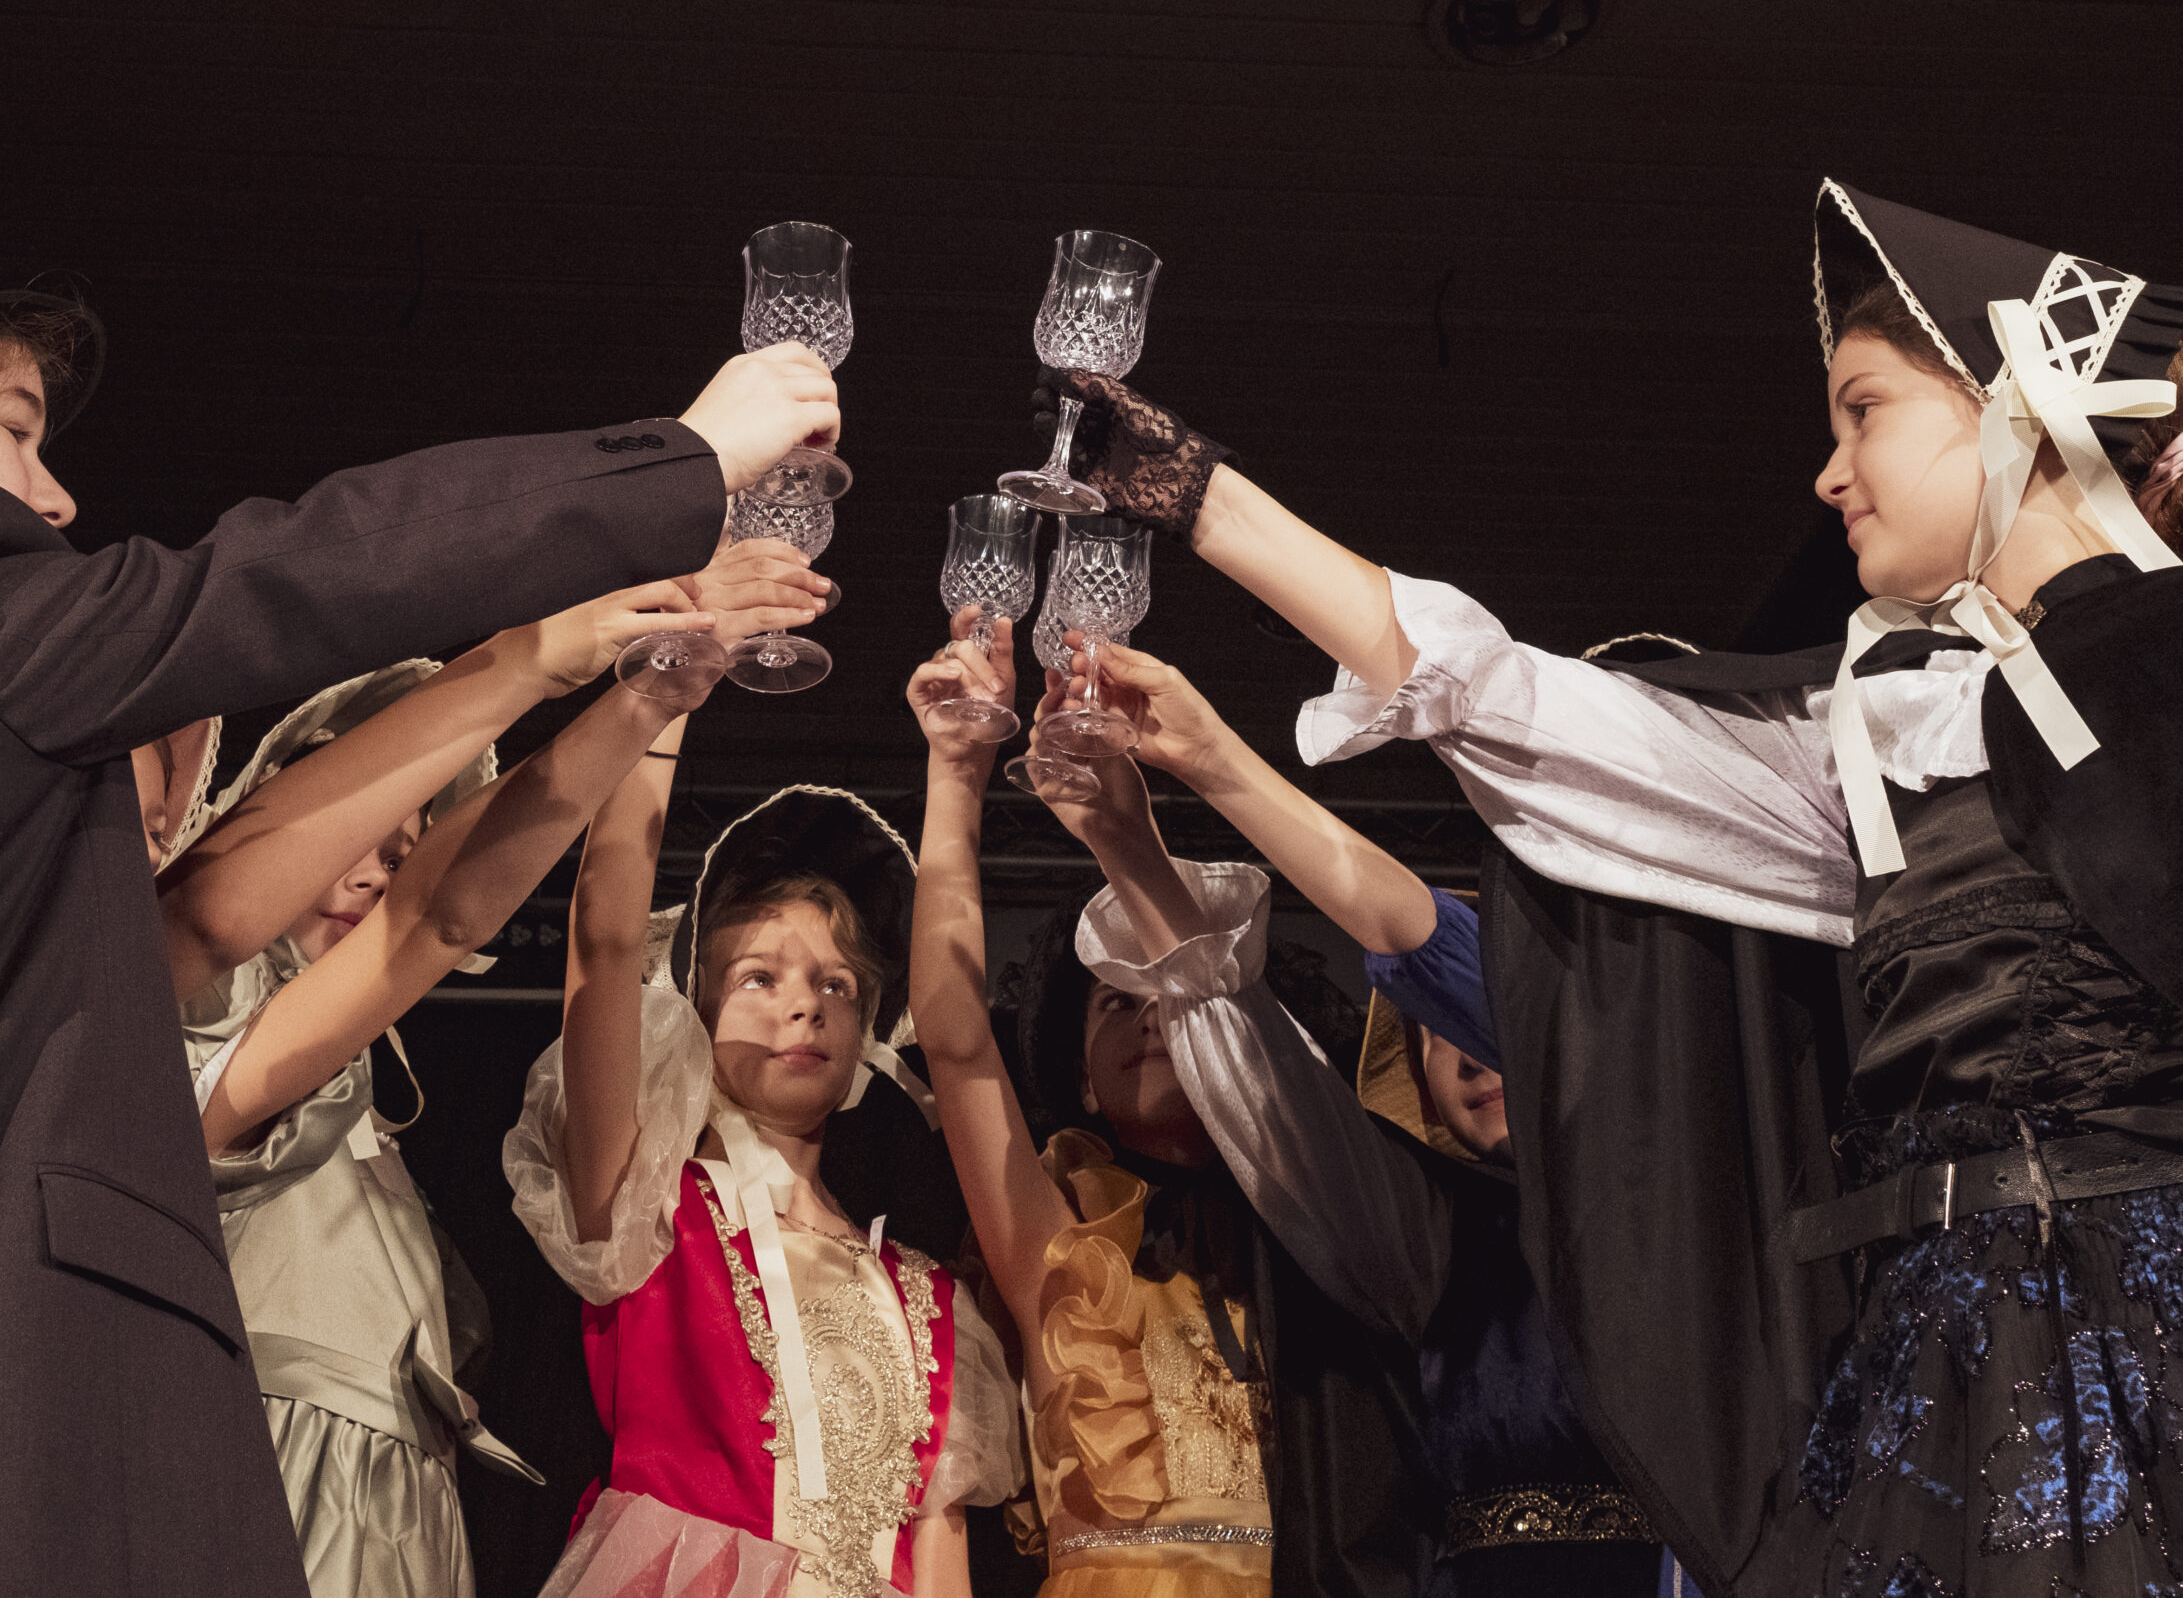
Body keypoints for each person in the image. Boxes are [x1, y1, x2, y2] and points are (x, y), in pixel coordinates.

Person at [1027, 180, 2183, 1596]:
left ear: (2016, 406)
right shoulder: (1878, 738)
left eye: (1864, 412)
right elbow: (1514, 705)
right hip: (1952, 1367)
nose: (1830, 474)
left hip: (2173, 1333)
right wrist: (1198, 495)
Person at [0, 210, 835, 1597]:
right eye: (14, 428)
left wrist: (578, 674)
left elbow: (204, 923)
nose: (54, 497)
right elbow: (284, 571)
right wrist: (685, 454)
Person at [157, 550, 823, 1598]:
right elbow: (440, 912)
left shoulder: (362, 1113)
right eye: (354, 838)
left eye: (403, 849)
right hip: (262, 1493)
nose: (374, 873)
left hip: (397, 1520)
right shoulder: (196, 1021)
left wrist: (656, 696)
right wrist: (638, 695)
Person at [904, 616, 1432, 1598]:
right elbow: (954, 1040)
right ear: (1079, 1075)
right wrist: (955, 774)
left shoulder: (1326, 1246)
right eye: (1116, 1003)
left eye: (1167, 998)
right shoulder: (1060, 1237)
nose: (1152, 1015)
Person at [502, 730, 1022, 1598]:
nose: (804, 1006)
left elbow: (943, 1568)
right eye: (758, 978)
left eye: (835, 985)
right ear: (694, 1011)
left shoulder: (930, 1301)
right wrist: (657, 712)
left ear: (866, 1032)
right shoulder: (648, 1206)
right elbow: (605, 942)